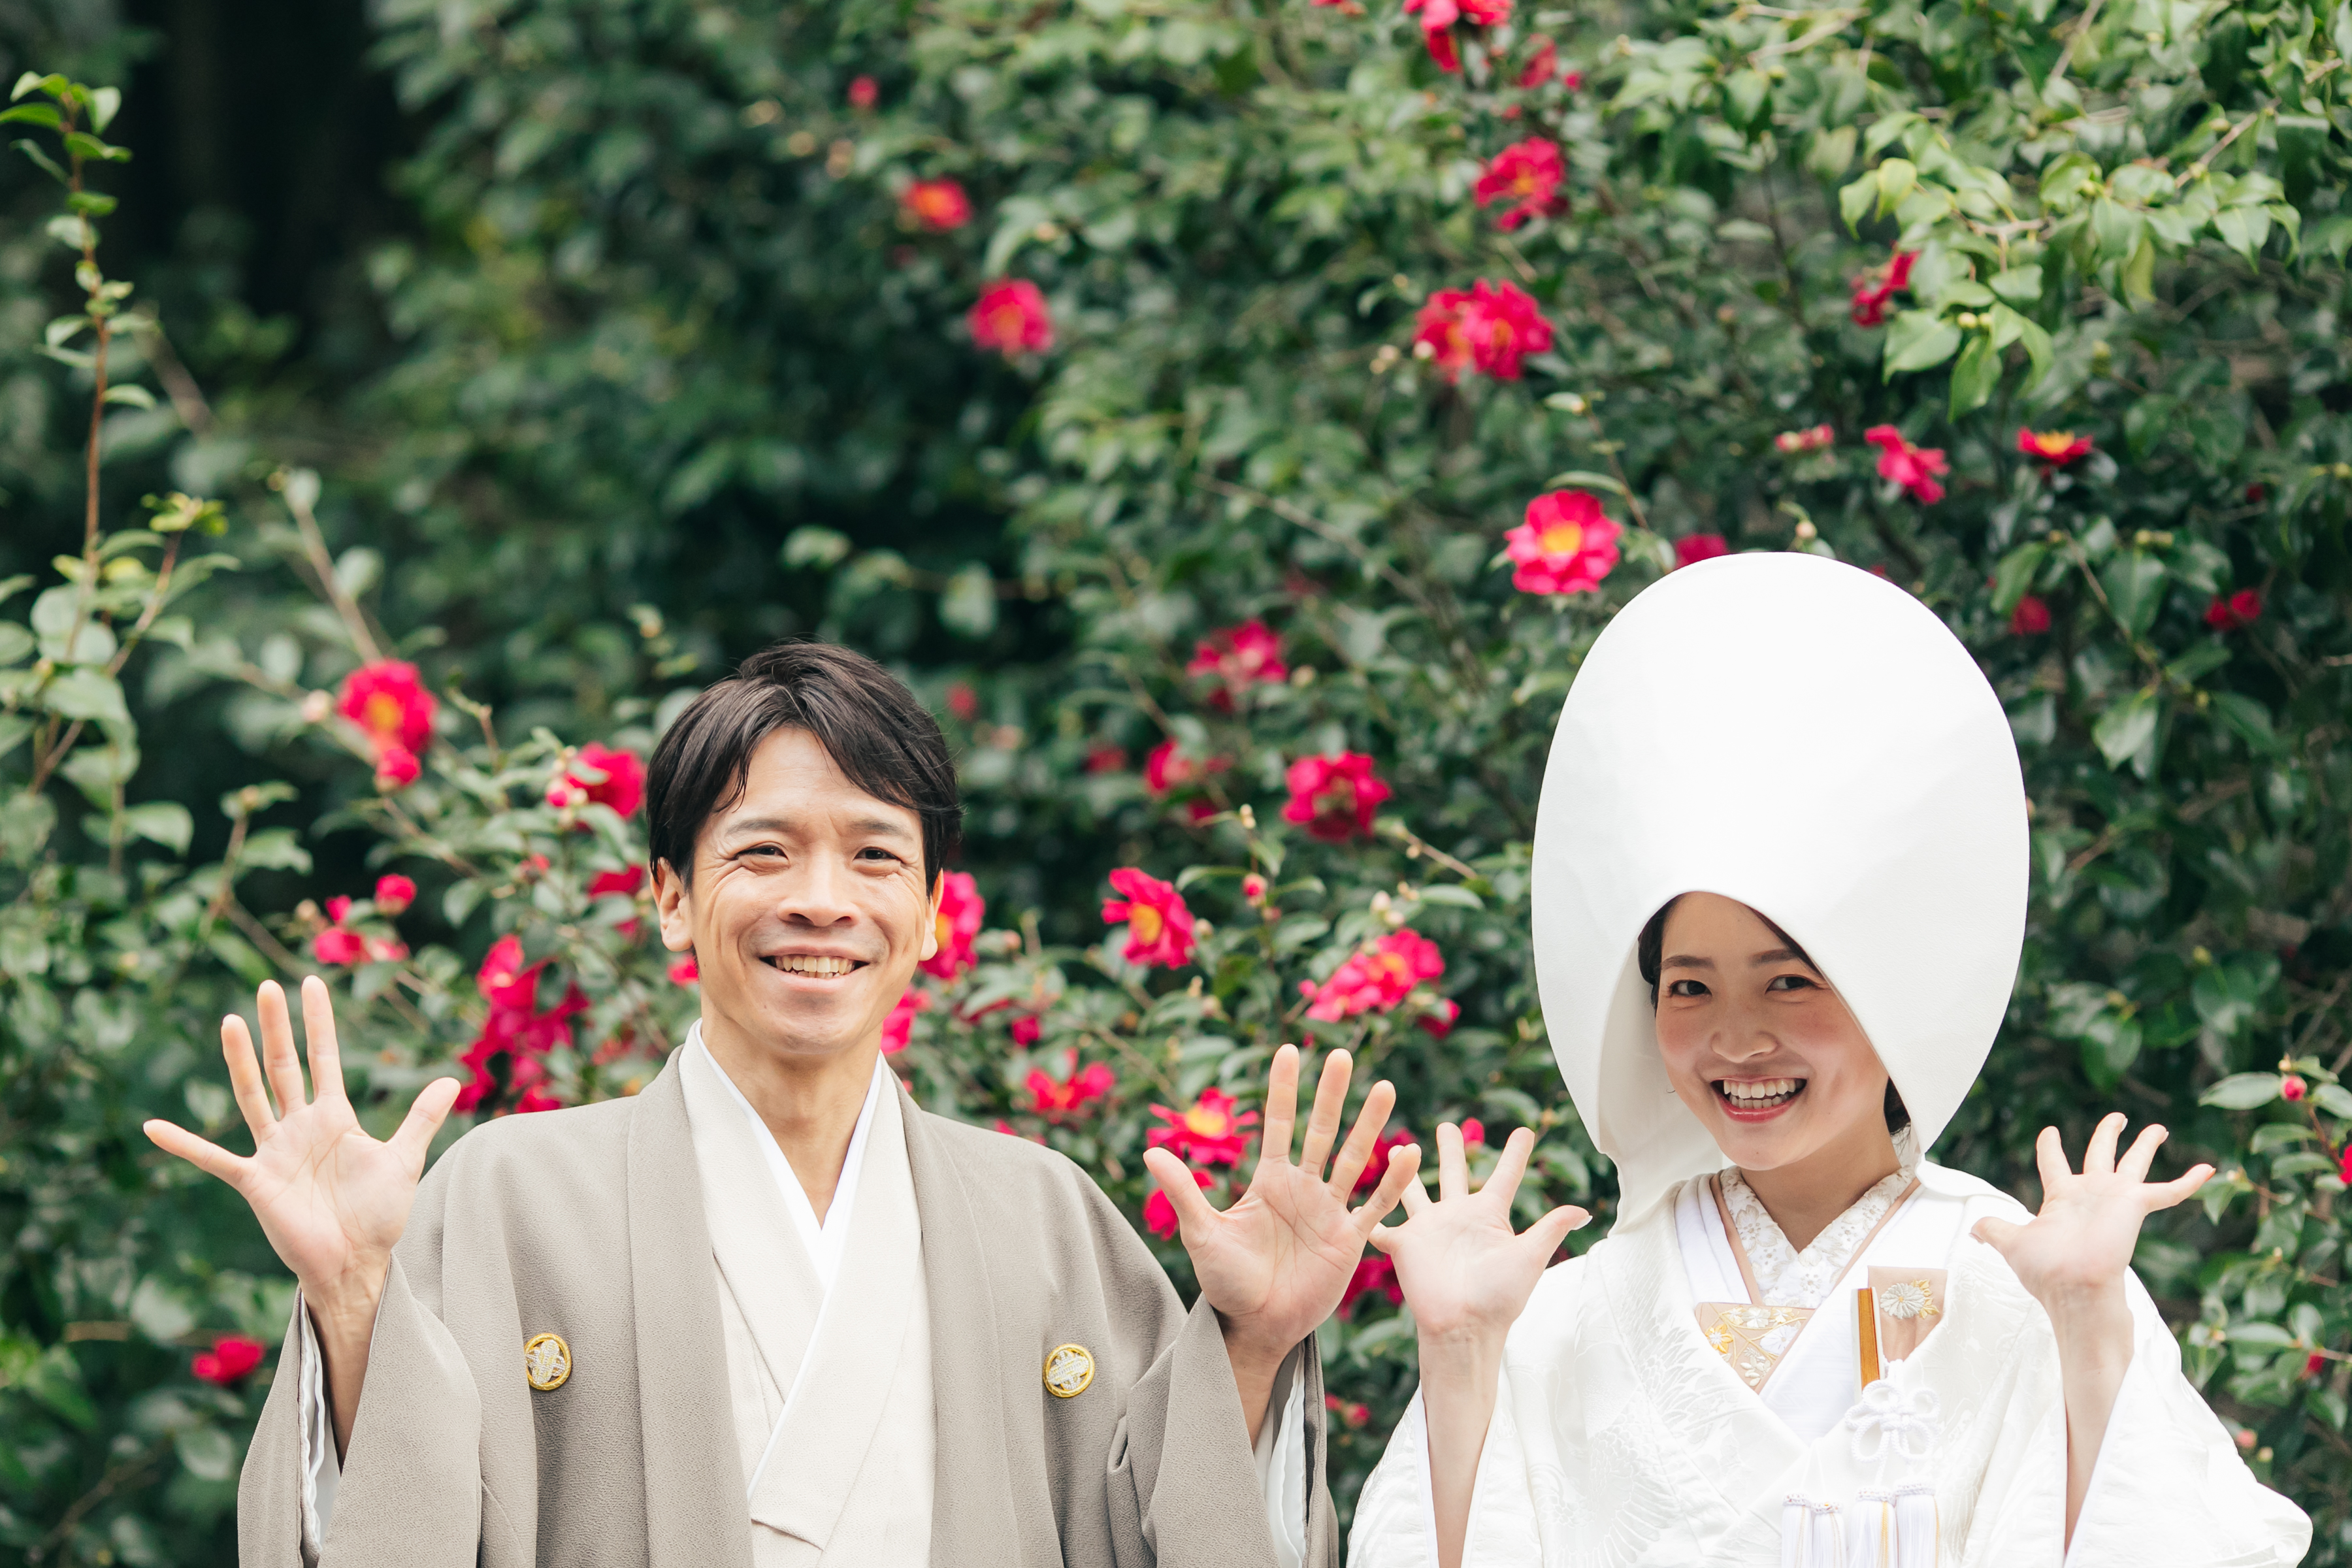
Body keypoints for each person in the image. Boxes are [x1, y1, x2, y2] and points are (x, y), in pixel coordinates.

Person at [146, 640, 1422, 1568]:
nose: (823, 899)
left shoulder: (1046, 1220)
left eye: (874, 854)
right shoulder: (508, 1199)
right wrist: (354, 1299)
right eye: (764, 850)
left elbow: (1178, 1544)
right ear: (664, 896)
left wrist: (1251, 1348)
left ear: (931, 913)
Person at [1345, 554, 2310, 1567]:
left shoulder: (2029, 1281)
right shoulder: (1570, 1312)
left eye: (1790, 981)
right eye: (1689, 987)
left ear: (1887, 991)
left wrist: (2088, 1325)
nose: (1736, 1038)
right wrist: (1457, 1356)